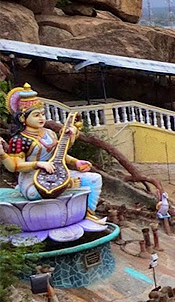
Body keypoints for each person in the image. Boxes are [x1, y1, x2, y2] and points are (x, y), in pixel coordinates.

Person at [2, 85, 104, 220]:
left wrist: (75, 162)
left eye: (43, 114)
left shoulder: (49, 133)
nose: (41, 118)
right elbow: (14, 166)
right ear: (22, 118)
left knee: (94, 179)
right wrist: (39, 164)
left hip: (57, 173)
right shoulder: (19, 139)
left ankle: (87, 214)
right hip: (31, 178)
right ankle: (67, 187)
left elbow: (58, 155)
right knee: (35, 194)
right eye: (36, 115)